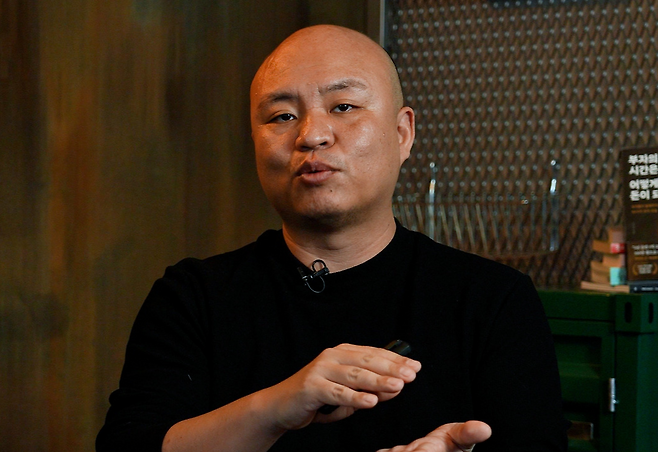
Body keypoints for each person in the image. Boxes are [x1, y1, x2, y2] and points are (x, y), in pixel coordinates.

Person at [96, 25, 568, 452]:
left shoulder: (492, 299)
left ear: (402, 133)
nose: (311, 135)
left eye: (343, 107)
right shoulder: (193, 297)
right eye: (282, 116)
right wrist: (277, 406)